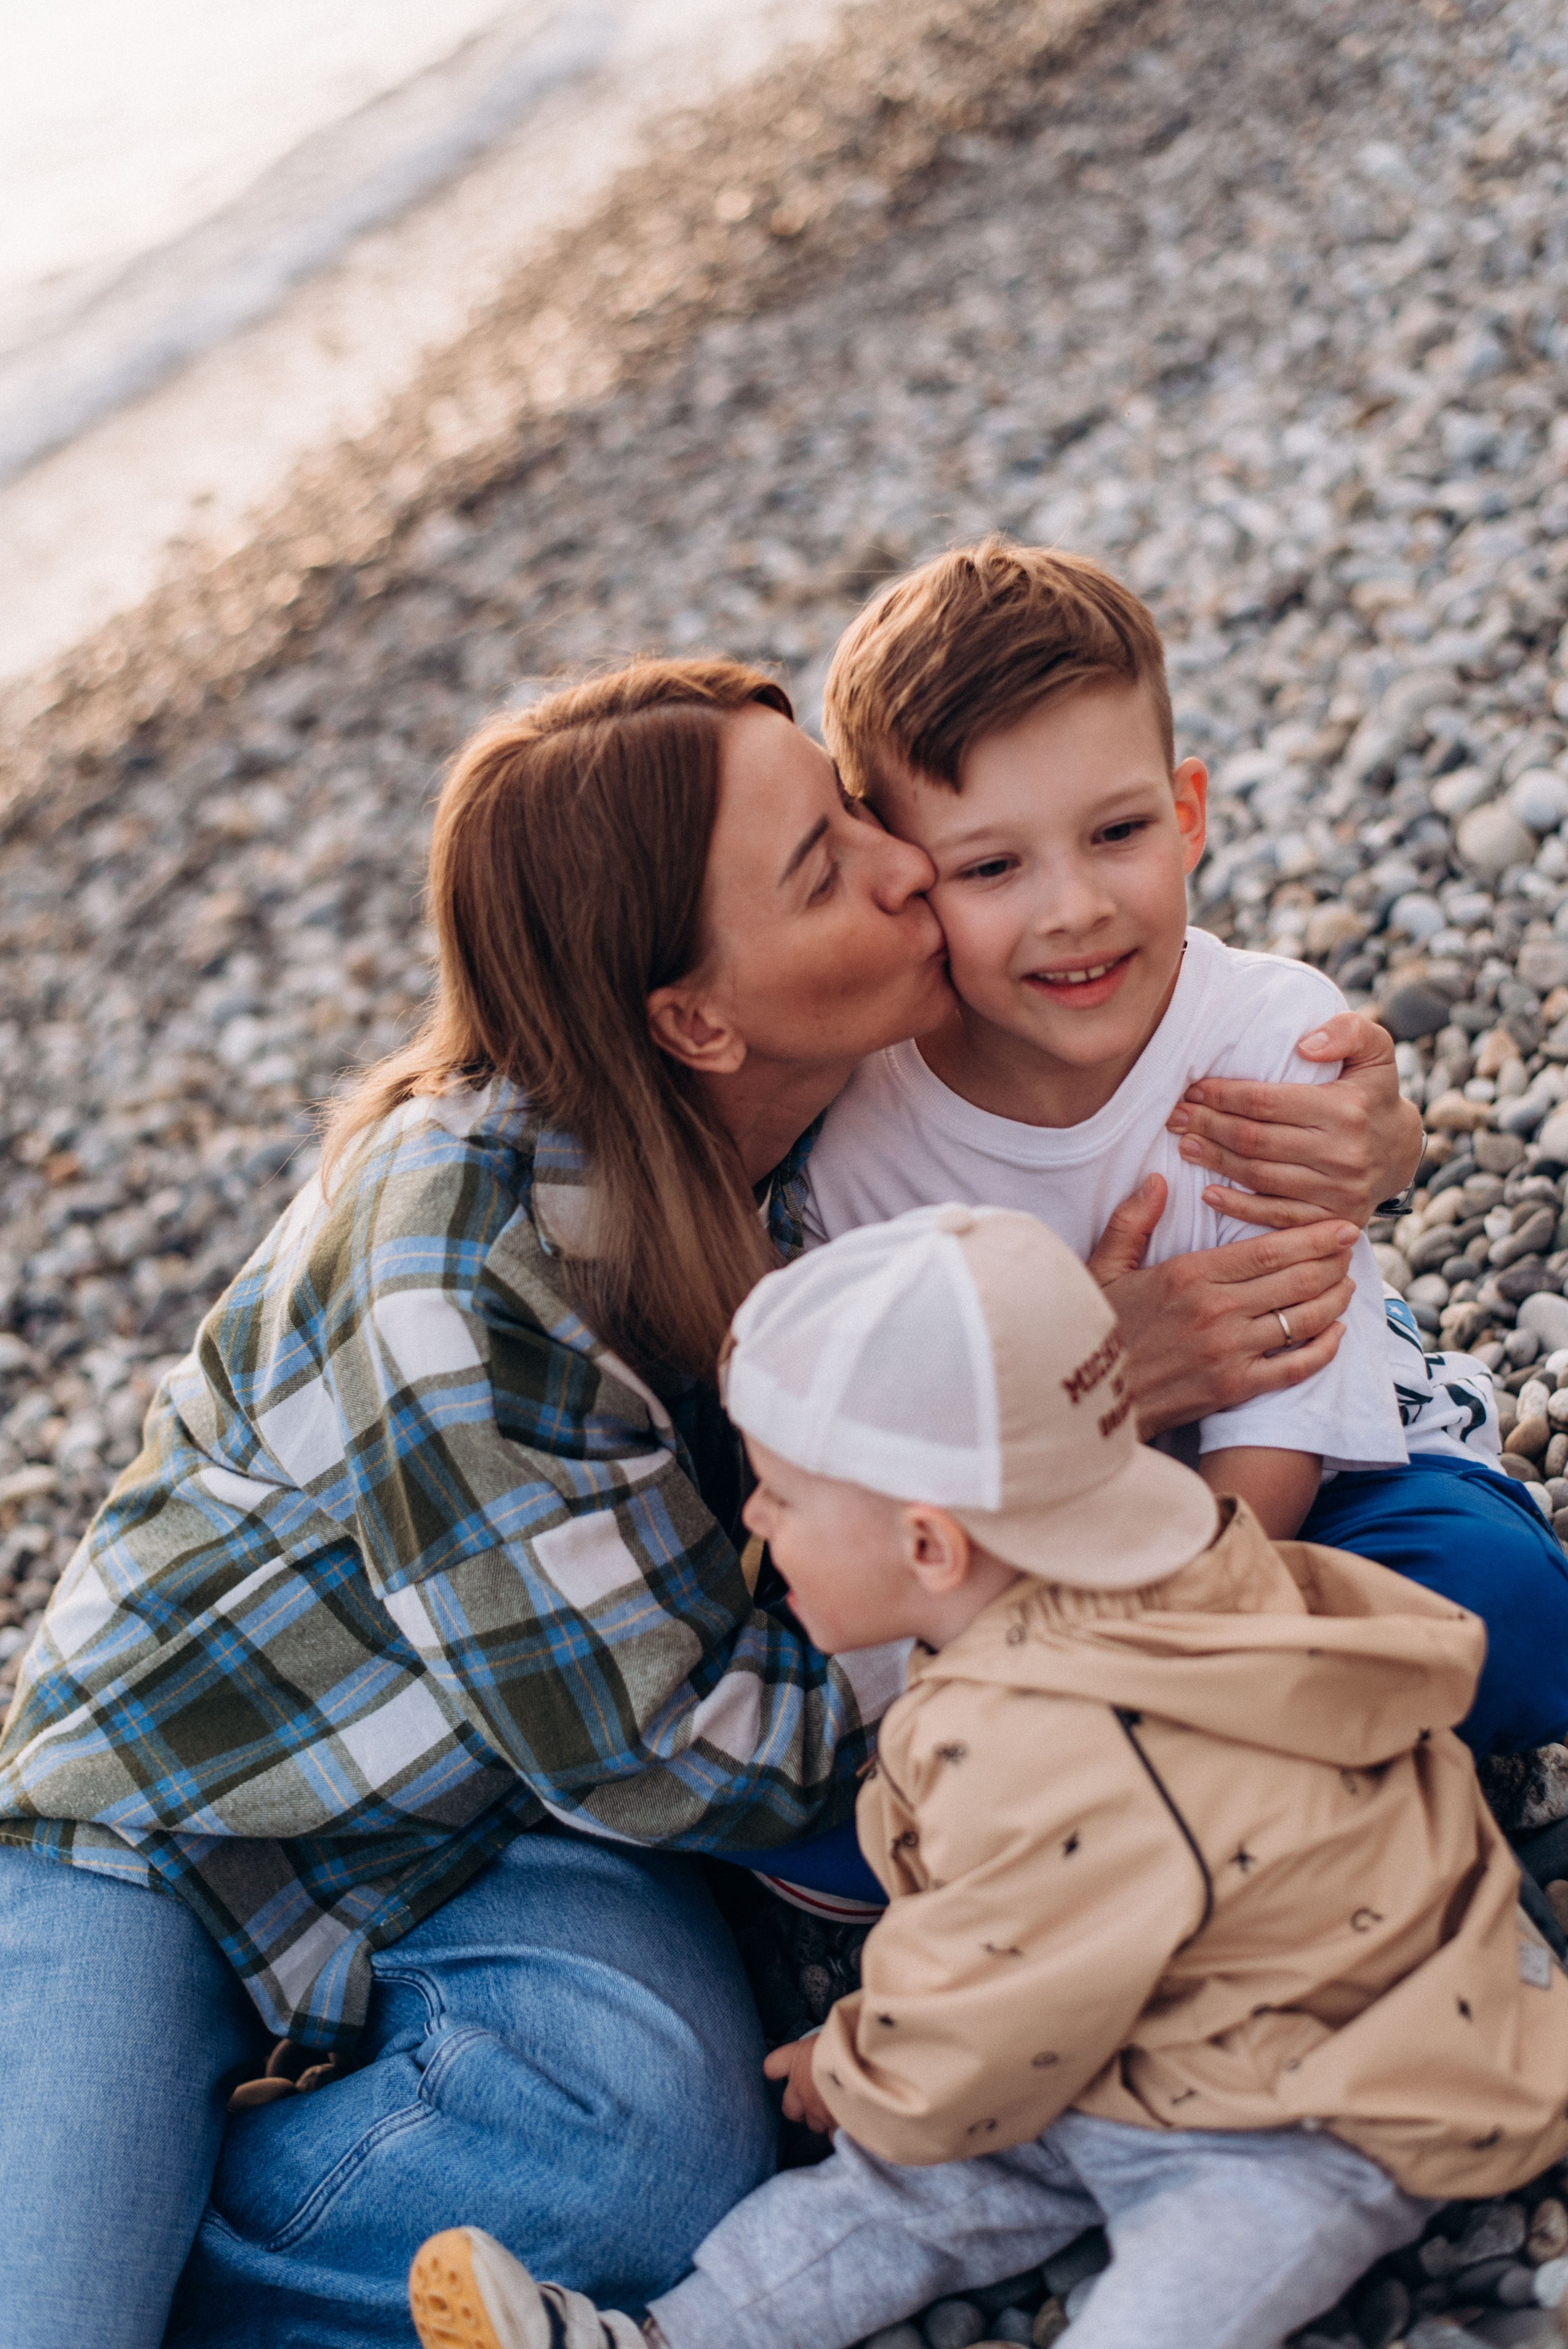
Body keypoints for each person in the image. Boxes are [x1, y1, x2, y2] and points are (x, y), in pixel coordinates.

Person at [0, 660, 1416, 2349]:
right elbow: (683, 1751)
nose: (905, 862)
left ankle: (202, 2229)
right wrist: (1045, 1414)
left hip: (510, 1824)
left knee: (649, 2167)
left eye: (853, 809)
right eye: (828, 866)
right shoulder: (459, 1263)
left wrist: (1359, 1123)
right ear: (693, 1020)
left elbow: (1142, 991)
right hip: (182, 1821)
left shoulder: (827, 1094)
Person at [411, 1207, 1568, 2349]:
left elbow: (1000, 1987)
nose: (752, 1517)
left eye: (782, 1497)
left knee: (1172, 2278)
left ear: (931, 1546)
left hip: (1318, 2088)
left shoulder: (1038, 1739)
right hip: (1128, 2041)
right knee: (899, 2190)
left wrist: (856, 2066)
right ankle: (659, 2341)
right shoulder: (1166, 1556)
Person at [802, 539, 1568, 1748]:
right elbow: (899, 1458)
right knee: (899, 1735)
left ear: (1186, 813)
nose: (1075, 908)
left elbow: (1287, 1412)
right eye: (992, 866)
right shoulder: (861, 1143)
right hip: (1042, 1555)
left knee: (1501, 1606)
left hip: (1323, 1488)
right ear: (906, 884)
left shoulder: (1268, 1034)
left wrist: (1176, 1648)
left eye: (1117, 832)